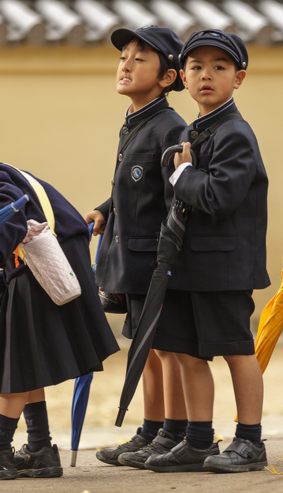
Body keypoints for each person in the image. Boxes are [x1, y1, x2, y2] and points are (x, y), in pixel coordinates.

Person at [143, 29, 270, 474]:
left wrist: (182, 177)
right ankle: (198, 440)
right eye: (196, 67)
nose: (206, 76)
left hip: (226, 265)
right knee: (187, 351)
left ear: (239, 78)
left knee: (237, 349)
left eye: (220, 66)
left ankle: (251, 441)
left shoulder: (235, 132)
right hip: (190, 263)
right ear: (184, 76)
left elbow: (219, 197)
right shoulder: (192, 131)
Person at [0, 162, 120, 481]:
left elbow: (14, 214)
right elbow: (11, 258)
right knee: (26, 355)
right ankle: (39, 450)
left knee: (17, 357)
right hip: (48, 254)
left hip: (49, 255)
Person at [84, 25, 190, 468]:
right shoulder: (136, 121)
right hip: (131, 257)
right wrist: (106, 209)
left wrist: (166, 259)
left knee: (165, 347)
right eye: (123, 57)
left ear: (167, 77)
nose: (125, 65)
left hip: (154, 258)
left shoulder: (170, 127)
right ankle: (150, 429)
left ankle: (175, 432)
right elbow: (135, 187)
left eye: (139, 59)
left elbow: (175, 198)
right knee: (143, 347)